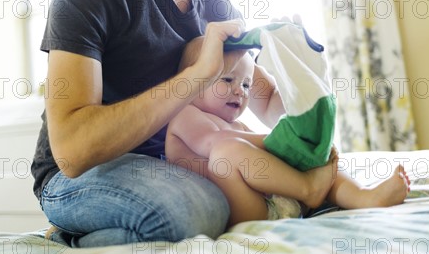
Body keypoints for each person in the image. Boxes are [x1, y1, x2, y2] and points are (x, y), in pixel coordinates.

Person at [31, 0, 286, 248]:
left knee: (272, 184)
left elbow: (263, 96)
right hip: (79, 176)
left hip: (167, 167)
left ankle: (83, 236)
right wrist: (195, 75)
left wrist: (308, 97)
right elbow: (72, 153)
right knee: (200, 210)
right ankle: (68, 234)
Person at [165, 38, 411, 227]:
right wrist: (281, 140)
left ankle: (364, 196)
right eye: (228, 80)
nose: (240, 91)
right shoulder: (183, 114)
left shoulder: (238, 128)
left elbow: (264, 158)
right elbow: (213, 142)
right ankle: (309, 188)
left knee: (317, 162)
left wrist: (302, 150)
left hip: (282, 200)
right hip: (249, 210)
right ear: (193, 83)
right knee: (224, 153)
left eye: (246, 84)